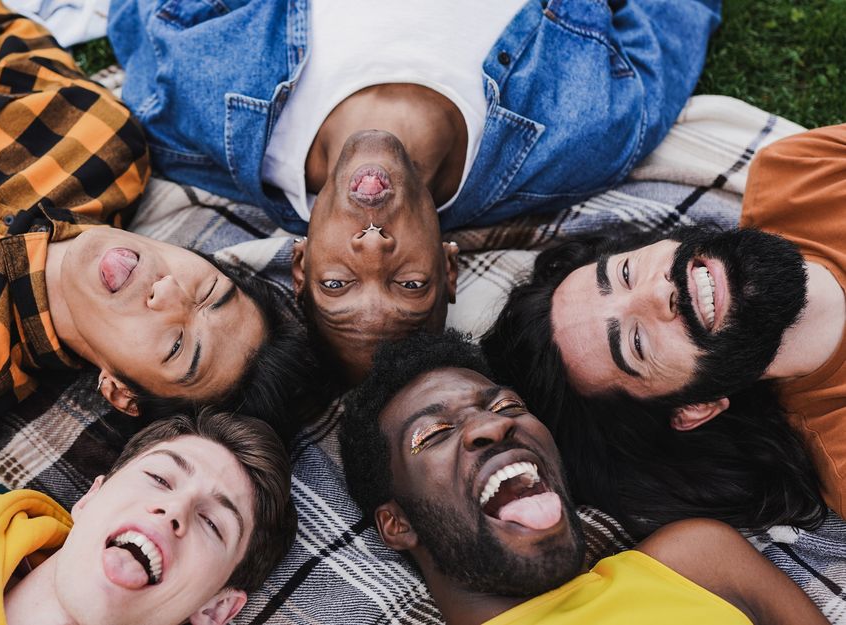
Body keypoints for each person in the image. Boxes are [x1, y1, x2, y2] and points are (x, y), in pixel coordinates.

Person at [108, 0, 722, 381]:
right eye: (409, 284)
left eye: (338, 283)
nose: (373, 246)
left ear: (299, 262)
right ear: (449, 269)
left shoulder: (182, 106)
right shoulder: (587, 132)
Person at [0, 0, 311, 487]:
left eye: (177, 344)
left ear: (121, 392)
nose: (166, 293)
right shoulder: (101, 138)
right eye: (205, 289)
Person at [340, 331, 828, 625]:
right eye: (435, 433)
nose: (492, 425)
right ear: (397, 524)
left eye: (507, 406)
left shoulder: (696, 560)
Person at [482, 124, 846, 518]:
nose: (659, 292)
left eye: (624, 274)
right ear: (695, 408)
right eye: (636, 342)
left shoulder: (801, 170)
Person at [0, 410, 297, 625]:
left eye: (212, 523)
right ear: (91, 497)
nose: (174, 511)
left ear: (217, 609)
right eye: (160, 479)